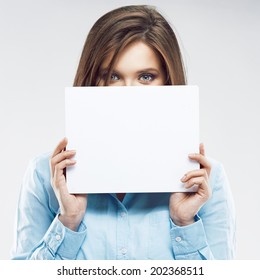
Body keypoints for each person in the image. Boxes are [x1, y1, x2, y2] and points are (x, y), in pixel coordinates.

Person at [11, 5, 236, 260]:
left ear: (169, 81)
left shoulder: (207, 182)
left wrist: (184, 222)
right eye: (112, 76)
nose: (128, 91)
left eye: (146, 77)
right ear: (90, 80)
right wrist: (68, 221)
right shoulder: (44, 175)